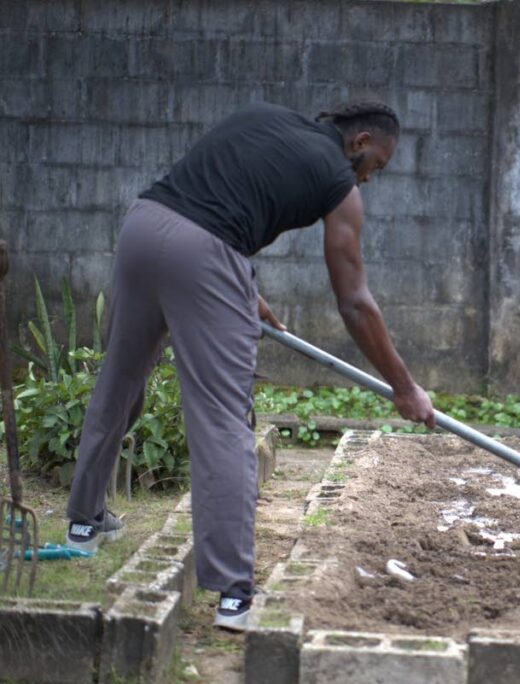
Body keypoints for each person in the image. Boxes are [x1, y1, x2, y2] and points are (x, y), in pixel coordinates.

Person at [64, 101, 436, 631]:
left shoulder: (265, 119)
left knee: (121, 378)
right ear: (360, 142)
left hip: (143, 228)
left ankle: (84, 520)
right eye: (378, 163)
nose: (372, 177)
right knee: (222, 420)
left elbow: (217, 197)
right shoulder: (338, 181)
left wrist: (243, 287)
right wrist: (405, 387)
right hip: (205, 254)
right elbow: (354, 301)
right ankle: (234, 594)